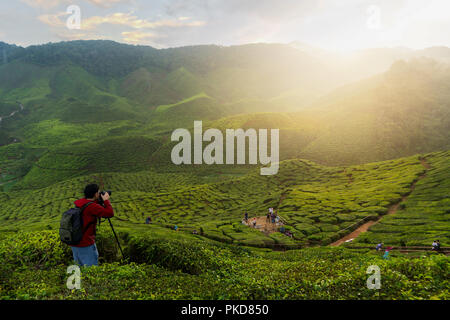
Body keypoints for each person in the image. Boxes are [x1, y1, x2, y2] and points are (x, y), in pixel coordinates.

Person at [71, 184, 114, 267]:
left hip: (75, 242)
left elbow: (90, 205)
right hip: (86, 243)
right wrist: (106, 200)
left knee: (79, 269)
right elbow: (110, 213)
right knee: (91, 270)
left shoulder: (80, 203)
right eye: (98, 192)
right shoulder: (92, 207)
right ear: (95, 194)